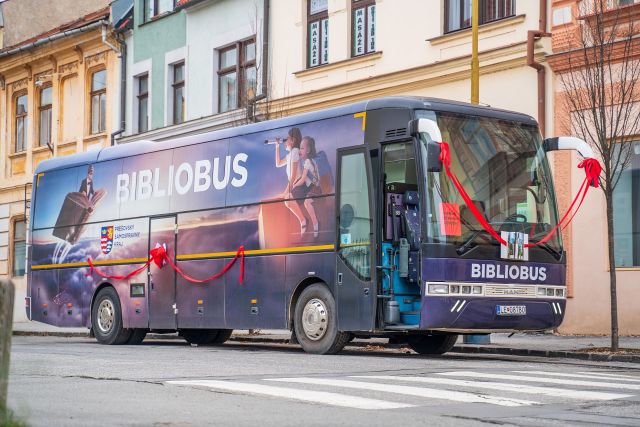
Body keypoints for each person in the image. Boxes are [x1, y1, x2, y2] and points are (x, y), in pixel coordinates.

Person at [274, 128, 307, 234]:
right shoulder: (290, 155)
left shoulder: (295, 152)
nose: (285, 141)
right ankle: (303, 220)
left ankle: (303, 220)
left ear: (292, 140)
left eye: (287, 138)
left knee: (287, 199)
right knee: (284, 198)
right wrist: (277, 146)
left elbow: (292, 176)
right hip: (294, 184)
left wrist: (287, 191)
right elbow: (278, 163)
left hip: (299, 184)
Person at [291, 136, 320, 238]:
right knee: (298, 192)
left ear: (308, 150)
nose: (300, 150)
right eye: (300, 148)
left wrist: (294, 185)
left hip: (315, 187)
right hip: (313, 184)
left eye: (302, 148)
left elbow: (303, 179)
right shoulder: (311, 160)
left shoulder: (308, 162)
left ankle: (315, 223)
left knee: (307, 202)